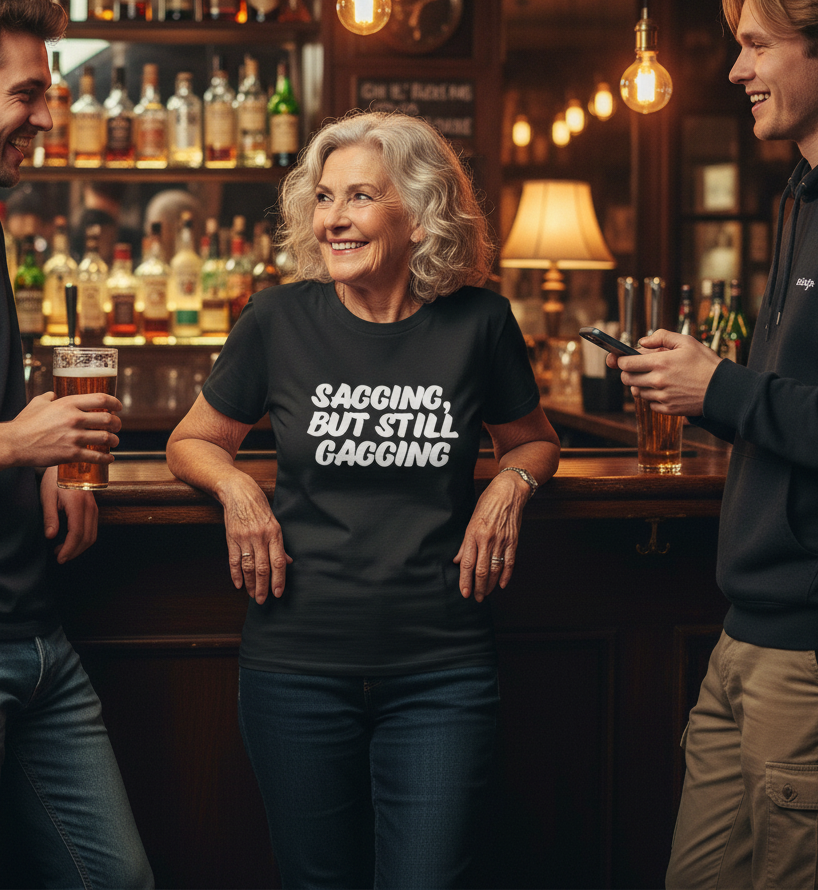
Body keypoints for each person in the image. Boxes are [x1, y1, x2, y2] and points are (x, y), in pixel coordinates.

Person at [167, 110, 560, 888]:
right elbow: (191, 440)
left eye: (359, 198)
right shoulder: (278, 319)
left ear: (418, 213)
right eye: (323, 198)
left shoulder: (480, 321)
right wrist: (239, 486)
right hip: (295, 670)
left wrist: (510, 484)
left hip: (441, 672)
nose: (334, 220)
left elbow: (535, 439)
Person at [0, 1, 153, 887]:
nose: (47, 119)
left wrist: (52, 461)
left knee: (117, 879)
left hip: (37, 628)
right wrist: (17, 445)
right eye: (27, 93)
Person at [607, 1, 818, 886]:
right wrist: (704, 391)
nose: (736, 71)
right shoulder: (798, 194)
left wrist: (721, 386)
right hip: (743, 634)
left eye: (758, 46)